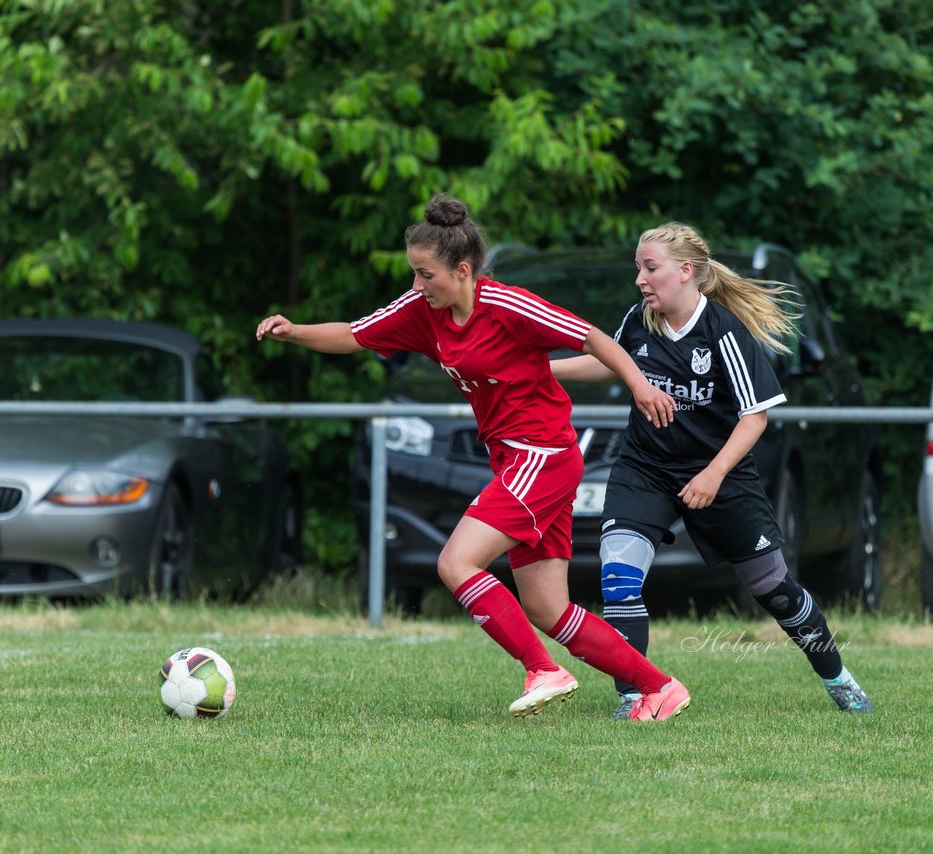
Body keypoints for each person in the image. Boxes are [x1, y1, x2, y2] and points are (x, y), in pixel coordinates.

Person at [257, 194, 691, 722]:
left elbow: (594, 338)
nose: (417, 286)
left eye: (426, 275)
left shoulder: (508, 306)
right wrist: (294, 331)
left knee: (456, 562)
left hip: (543, 454)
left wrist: (641, 387)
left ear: (462, 271)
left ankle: (544, 670)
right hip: (514, 460)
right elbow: (354, 334)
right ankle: (660, 688)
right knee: (547, 608)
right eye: (414, 274)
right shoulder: (424, 311)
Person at [551, 221, 873, 716]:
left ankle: (838, 678)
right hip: (645, 467)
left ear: (685, 271)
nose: (639, 278)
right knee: (617, 576)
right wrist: (541, 369)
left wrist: (713, 474)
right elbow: (612, 362)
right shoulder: (640, 319)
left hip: (717, 473)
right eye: (638, 267)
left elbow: (755, 416)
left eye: (649, 267)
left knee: (774, 589)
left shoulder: (724, 331)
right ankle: (636, 695)